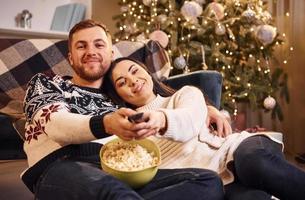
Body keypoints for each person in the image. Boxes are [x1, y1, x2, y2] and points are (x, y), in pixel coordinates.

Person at [21, 19, 225, 199]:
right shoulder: (47, 84)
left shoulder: (120, 97)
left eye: (98, 45)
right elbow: (56, 124)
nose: (91, 51)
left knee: (207, 182)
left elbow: (160, 100)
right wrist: (106, 123)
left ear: (110, 54)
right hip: (61, 166)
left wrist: (207, 109)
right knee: (114, 193)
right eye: (81, 46)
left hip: (120, 171)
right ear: (71, 57)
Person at [104, 56, 305, 200]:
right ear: (119, 95)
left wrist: (160, 120)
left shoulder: (186, 94)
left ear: (147, 72)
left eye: (134, 71)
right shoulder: (128, 132)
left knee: (253, 163)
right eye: (122, 83)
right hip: (214, 179)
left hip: (235, 149)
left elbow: (189, 120)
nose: (132, 81)